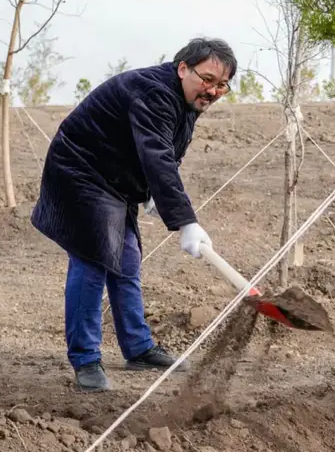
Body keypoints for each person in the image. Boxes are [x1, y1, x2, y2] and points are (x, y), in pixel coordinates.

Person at [30, 37, 237, 392]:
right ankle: (85, 359)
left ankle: (138, 348)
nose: (213, 91)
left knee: (126, 259)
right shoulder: (154, 93)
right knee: (93, 259)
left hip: (114, 179)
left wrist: (154, 195)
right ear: (182, 68)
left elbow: (167, 155)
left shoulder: (187, 101)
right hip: (81, 171)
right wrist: (185, 221)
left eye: (222, 85)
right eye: (207, 79)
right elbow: (156, 154)